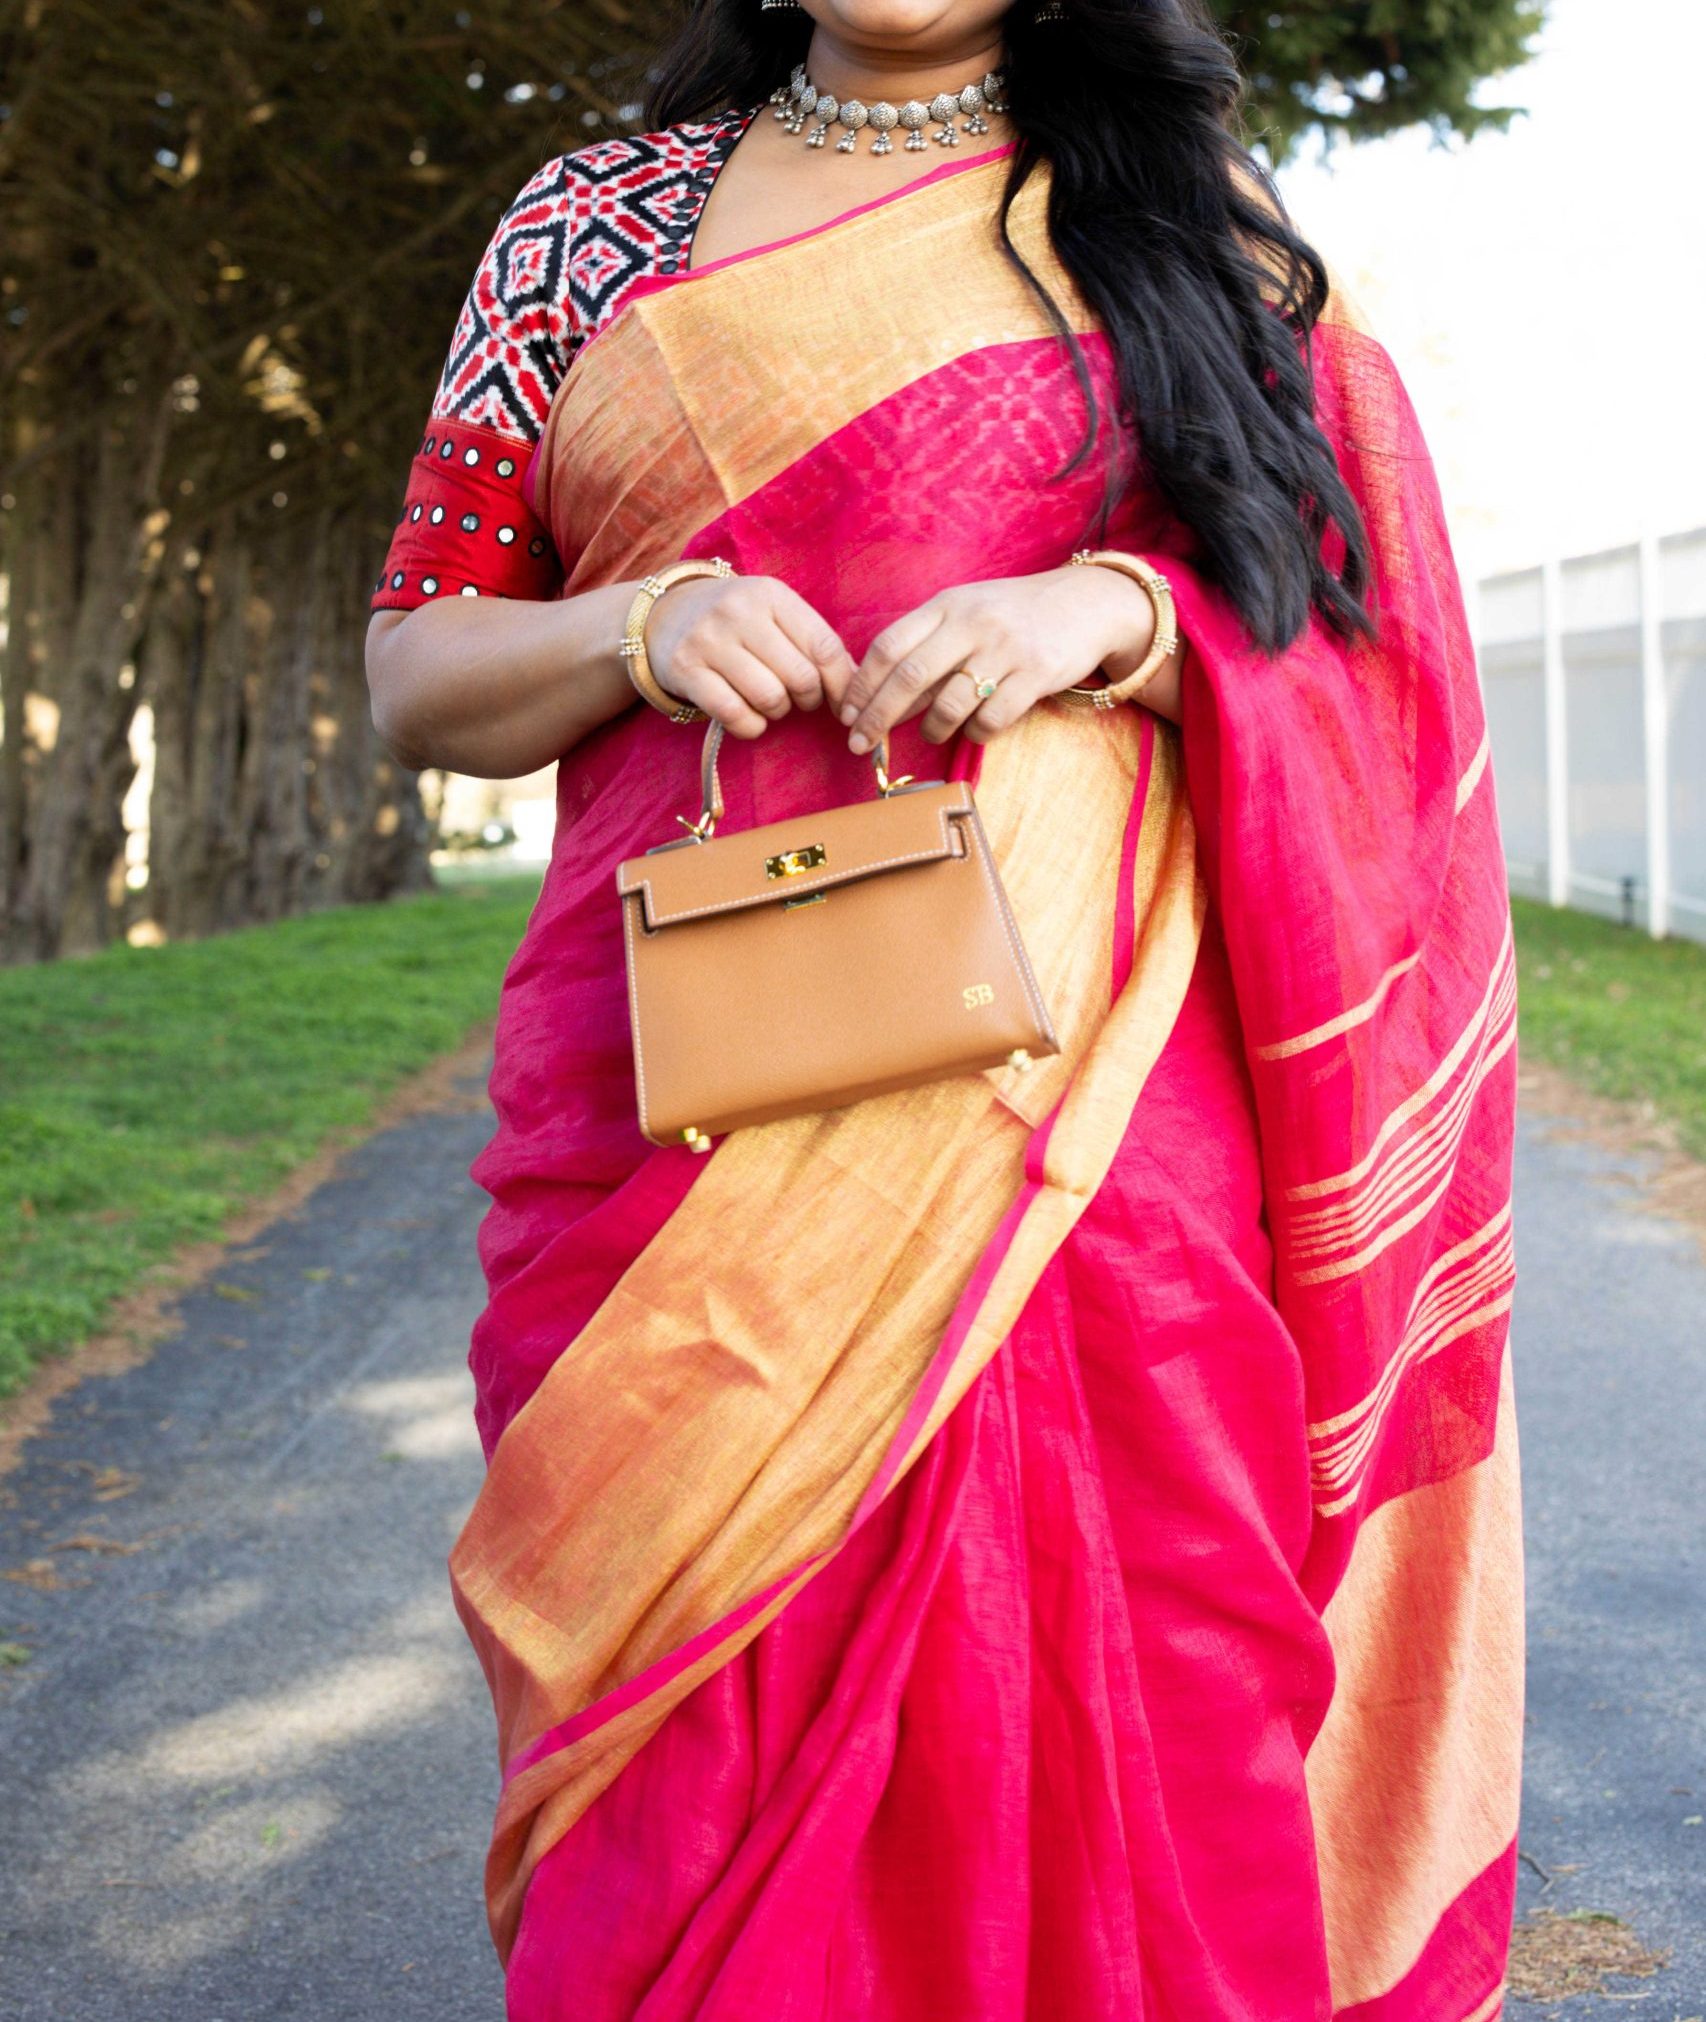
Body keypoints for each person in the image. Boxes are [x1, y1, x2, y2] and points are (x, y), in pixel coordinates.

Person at [365, 0, 1522, 2014]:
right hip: (674, 1112)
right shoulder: (599, 225)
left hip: (1094, 1145)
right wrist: (638, 622)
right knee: (687, 1738)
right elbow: (420, 662)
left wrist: (1116, 611)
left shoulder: (1181, 221)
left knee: (1135, 1686)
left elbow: (1365, 652)